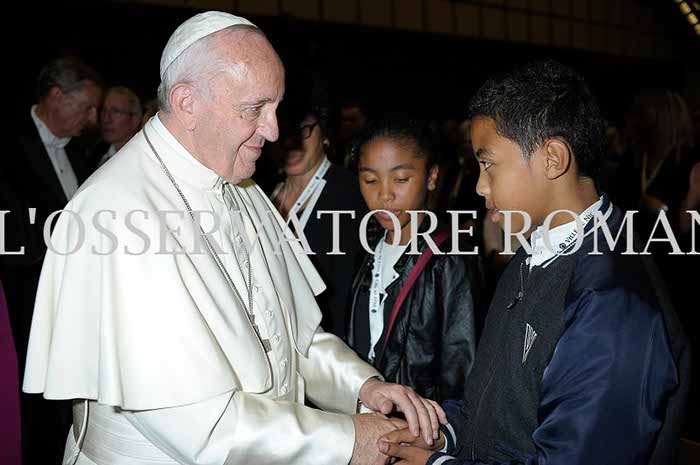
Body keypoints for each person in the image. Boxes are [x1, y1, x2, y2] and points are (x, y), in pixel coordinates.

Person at [22, 12, 444, 465]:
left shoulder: (241, 188)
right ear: (187, 102)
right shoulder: (117, 213)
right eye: (254, 109)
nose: (274, 130)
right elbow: (202, 427)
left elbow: (292, 338)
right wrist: (347, 439)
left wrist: (362, 387)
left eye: (276, 107)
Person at [378, 61, 690, 465]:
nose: (479, 184)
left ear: (552, 159)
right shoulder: (533, 254)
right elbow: (491, 408)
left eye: (488, 163)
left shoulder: (612, 300)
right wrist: (443, 435)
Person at [0, 56, 102, 465]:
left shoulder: (82, 152)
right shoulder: (6, 144)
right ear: (57, 96)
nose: (93, 118)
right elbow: (10, 236)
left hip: (69, 308)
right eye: (87, 106)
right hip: (22, 304)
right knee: (31, 410)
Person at [346, 117, 481, 403]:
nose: (384, 194)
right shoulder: (365, 248)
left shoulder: (450, 257)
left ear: (431, 177)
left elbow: (462, 365)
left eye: (401, 179)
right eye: (370, 180)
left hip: (420, 429)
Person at [270, 85, 367, 339]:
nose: (291, 143)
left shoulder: (351, 194)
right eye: (282, 133)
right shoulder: (258, 190)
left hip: (325, 346)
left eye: (303, 130)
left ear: (324, 133)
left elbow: (349, 296)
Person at [97, 86, 143, 167]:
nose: (106, 119)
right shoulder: (93, 154)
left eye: (115, 111)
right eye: (104, 110)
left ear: (135, 120)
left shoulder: (142, 161)